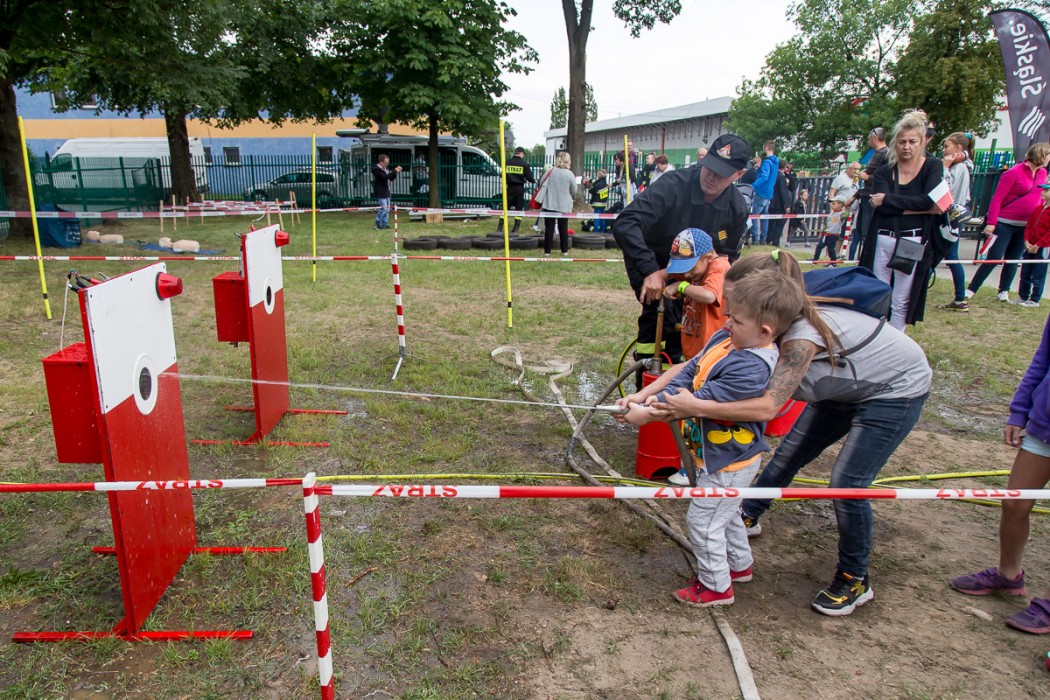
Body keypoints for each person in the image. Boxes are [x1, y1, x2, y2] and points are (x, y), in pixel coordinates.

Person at [650, 250, 932, 617]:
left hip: (894, 390)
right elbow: (699, 363)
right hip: (842, 389)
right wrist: (653, 396)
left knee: (848, 482)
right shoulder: (761, 323)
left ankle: (854, 578)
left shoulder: (799, 337)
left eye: (734, 307)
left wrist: (693, 407)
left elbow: (768, 407)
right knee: (788, 454)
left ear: (763, 307)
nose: (727, 315)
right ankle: (745, 516)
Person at [617, 268, 804, 607]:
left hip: (729, 462)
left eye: (736, 320)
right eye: (729, 315)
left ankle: (716, 587)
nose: (727, 322)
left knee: (703, 522)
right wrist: (645, 397)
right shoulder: (727, 339)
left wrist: (646, 414)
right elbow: (689, 372)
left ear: (764, 331)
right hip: (715, 456)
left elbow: (695, 402)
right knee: (727, 514)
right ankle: (738, 566)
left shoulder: (751, 367)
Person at [613, 133, 751, 368]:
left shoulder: (736, 208)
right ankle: (648, 375)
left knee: (692, 319)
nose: (712, 177)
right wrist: (651, 271)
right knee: (660, 312)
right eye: (710, 168)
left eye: (722, 173)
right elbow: (626, 223)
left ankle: (680, 372)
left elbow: (726, 255)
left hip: (697, 267)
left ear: (739, 174)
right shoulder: (673, 185)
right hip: (652, 257)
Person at [949, 313, 1050, 636]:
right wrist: (1019, 411)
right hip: (1044, 427)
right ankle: (1008, 575)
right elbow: (1041, 360)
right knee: (1014, 503)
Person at [656, 229, 731, 485]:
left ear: (708, 256)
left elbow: (710, 296)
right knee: (689, 416)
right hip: (695, 357)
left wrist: (682, 286)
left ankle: (697, 468)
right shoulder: (699, 273)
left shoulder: (719, 267)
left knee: (699, 417)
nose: (686, 274)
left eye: (690, 268)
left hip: (713, 361)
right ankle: (690, 465)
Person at [862, 109, 946, 331]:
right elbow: (884, 207)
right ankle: (876, 336)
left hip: (913, 240)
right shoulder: (884, 171)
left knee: (902, 297)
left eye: (912, 142)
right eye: (902, 142)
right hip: (883, 237)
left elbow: (930, 201)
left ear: (922, 142)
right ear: (895, 143)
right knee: (879, 292)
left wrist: (888, 199)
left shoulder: (932, 166)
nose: (906, 147)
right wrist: (920, 209)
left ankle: (897, 339)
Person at [965, 142, 1050, 303]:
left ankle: (1004, 291)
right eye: (1048, 156)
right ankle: (971, 289)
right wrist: (992, 222)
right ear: (1040, 155)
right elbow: (998, 198)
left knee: (1013, 259)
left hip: (1024, 225)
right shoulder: (1013, 172)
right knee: (994, 257)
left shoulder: (1043, 173)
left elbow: (1040, 198)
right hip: (1005, 223)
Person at [939, 132, 975, 311]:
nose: (944, 150)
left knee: (946, 255)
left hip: (950, 217)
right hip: (951, 217)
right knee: (950, 256)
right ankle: (960, 298)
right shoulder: (961, 165)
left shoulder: (959, 167)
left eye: (947, 146)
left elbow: (947, 189)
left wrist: (945, 168)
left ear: (959, 148)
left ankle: (960, 298)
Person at [851, 127, 889, 261]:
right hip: (865, 195)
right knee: (861, 230)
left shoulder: (886, 154)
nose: (868, 141)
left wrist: (867, 177)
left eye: (869, 138)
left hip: (872, 197)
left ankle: (869, 260)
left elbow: (885, 177)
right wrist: (855, 196)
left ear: (875, 138)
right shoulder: (875, 153)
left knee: (867, 232)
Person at [536, 151, 577, 256]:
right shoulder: (570, 174)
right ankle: (564, 250)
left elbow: (541, 183)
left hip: (550, 203)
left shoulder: (550, 171)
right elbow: (574, 190)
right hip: (564, 205)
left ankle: (547, 251)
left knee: (549, 228)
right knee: (563, 227)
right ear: (568, 160)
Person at [1017, 183, 1050, 307]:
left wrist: (1038, 244)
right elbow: (1029, 225)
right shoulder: (1038, 209)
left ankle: (1035, 299)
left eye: (1046, 190)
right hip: (1030, 245)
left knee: (1038, 272)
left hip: (1043, 247)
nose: (1043, 192)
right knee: (1025, 271)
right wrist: (1026, 241)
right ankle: (1023, 296)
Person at [750, 142, 780, 245]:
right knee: (765, 216)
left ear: (766, 148)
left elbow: (764, 177)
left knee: (755, 215)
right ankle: (763, 238)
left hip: (762, 191)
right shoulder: (775, 162)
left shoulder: (767, 162)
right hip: (769, 192)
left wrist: (753, 185)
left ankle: (755, 238)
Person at [501, 146, 535, 234]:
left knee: (505, 207)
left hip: (509, 187)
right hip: (519, 188)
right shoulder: (524, 164)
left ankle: (500, 226)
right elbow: (529, 177)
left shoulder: (507, 162)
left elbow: (502, 175)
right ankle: (516, 228)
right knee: (519, 207)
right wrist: (534, 181)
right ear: (521, 153)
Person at [812, 193, 848, 266]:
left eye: (834, 203)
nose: (831, 205)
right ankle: (815, 259)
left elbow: (846, 215)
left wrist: (847, 208)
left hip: (833, 235)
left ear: (840, 204)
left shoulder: (841, 214)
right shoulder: (831, 213)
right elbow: (826, 224)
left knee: (831, 249)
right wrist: (822, 232)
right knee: (819, 246)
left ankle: (833, 262)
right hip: (826, 234)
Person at [372, 154, 401, 230]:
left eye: (388, 163)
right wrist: (394, 171)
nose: (387, 164)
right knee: (384, 209)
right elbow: (385, 177)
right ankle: (377, 224)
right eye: (385, 163)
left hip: (387, 191)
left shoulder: (385, 169)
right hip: (381, 192)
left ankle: (385, 224)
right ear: (381, 162)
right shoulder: (376, 169)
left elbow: (390, 178)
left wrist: (395, 173)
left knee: (387, 209)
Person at [767, 162, 792, 247]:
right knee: (779, 224)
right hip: (779, 204)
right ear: (784, 167)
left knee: (771, 223)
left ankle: (768, 239)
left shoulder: (772, 175)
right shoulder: (781, 177)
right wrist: (787, 205)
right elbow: (783, 192)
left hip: (771, 203)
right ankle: (775, 242)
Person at [587, 169, 610, 234]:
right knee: (602, 218)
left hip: (597, 204)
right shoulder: (605, 184)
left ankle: (596, 231)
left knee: (596, 218)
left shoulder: (598, 184)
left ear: (599, 175)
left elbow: (592, 191)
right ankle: (603, 230)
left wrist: (590, 186)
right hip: (603, 203)